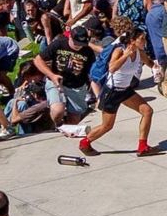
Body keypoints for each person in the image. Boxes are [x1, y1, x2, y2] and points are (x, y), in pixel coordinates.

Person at [79, 18, 158, 157]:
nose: (145, 41)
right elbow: (112, 68)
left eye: (145, 38)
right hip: (112, 92)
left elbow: (150, 63)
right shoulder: (119, 51)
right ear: (132, 40)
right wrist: (126, 55)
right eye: (142, 39)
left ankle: (142, 146)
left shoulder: (139, 53)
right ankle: (85, 143)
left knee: (147, 111)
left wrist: (156, 69)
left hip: (125, 90)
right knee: (107, 126)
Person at [32, 27, 96, 126]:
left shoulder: (88, 51)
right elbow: (38, 60)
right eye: (76, 43)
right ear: (70, 37)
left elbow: (92, 74)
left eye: (81, 44)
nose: (78, 46)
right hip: (57, 83)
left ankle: (69, 129)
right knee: (58, 110)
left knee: (74, 118)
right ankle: (58, 125)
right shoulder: (59, 44)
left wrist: (95, 93)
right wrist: (52, 75)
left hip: (77, 86)